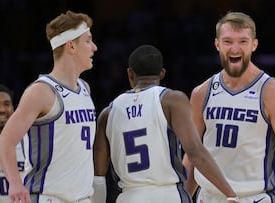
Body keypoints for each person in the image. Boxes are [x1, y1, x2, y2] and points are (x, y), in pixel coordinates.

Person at [182, 11, 275, 203]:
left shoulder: (272, 93)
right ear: (217, 45)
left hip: (254, 197)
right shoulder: (202, 93)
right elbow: (192, 155)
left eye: (242, 41)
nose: (235, 48)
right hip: (208, 197)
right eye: (228, 41)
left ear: (254, 45)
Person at [93, 44, 239, 203]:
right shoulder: (172, 100)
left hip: (128, 196)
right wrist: (229, 192)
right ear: (162, 73)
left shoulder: (108, 113)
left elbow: (98, 178)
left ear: (130, 73)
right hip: (168, 195)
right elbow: (195, 151)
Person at [0, 10, 98, 203]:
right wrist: (15, 183)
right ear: (71, 46)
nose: (94, 47)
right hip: (48, 197)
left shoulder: (85, 88)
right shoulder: (41, 91)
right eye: (88, 41)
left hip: (82, 198)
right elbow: (5, 142)